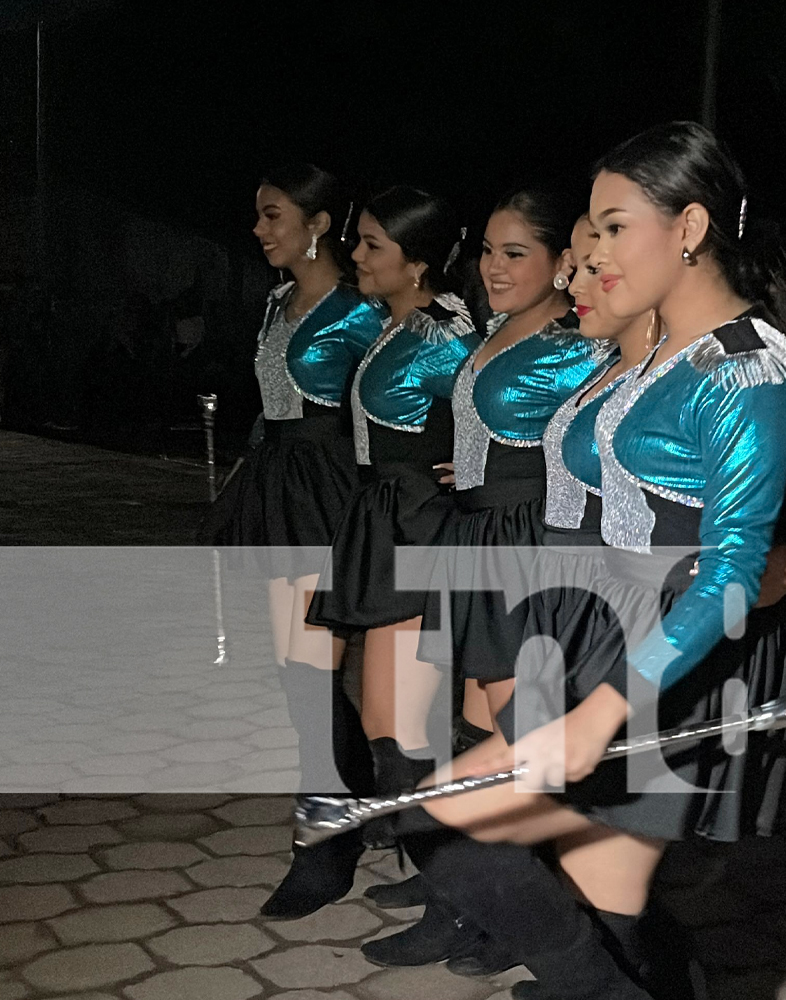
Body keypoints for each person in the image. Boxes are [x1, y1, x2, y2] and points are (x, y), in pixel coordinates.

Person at [402, 121, 786, 999]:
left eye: (612, 225)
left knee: (484, 838)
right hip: (602, 633)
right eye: (590, 227)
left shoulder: (745, 373)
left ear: (689, 228)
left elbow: (731, 572)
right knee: (577, 887)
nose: (592, 248)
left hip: (669, 656)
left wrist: (600, 714)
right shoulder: (656, 350)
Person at [359, 191, 597, 969]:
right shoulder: (498, 331)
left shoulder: (578, 344)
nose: (493, 267)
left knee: (518, 750)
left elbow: (604, 439)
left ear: (564, 261)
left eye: (515, 253)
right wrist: (480, 466)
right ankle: (471, 904)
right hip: (480, 536)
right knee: (473, 737)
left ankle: (538, 921)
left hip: (525, 551)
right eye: (489, 251)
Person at [197, 165, 386, 921]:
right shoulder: (278, 300)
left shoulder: (361, 311)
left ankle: (328, 841)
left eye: (272, 215)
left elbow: (397, 399)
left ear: (317, 222)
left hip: (332, 487)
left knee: (312, 671)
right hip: (277, 482)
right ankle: (358, 801)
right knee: (296, 671)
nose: (259, 229)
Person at [303, 185, 480, 861]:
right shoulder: (399, 324)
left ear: (417, 263)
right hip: (385, 520)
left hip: (419, 525)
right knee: (391, 719)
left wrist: (477, 472)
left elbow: (496, 407)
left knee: (403, 722)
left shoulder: (445, 335)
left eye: (374, 244)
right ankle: (440, 875)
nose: (356, 253)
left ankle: (462, 890)